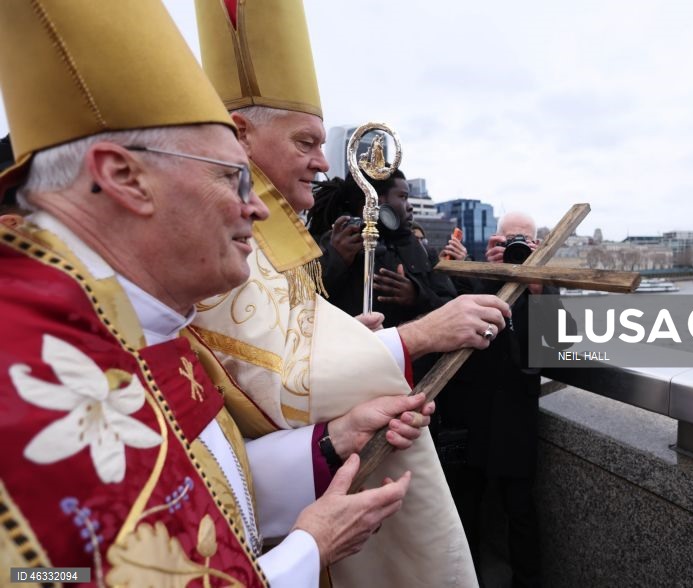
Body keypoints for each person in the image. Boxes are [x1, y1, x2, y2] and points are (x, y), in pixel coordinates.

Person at [0, 3, 441, 586]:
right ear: (124, 176)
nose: (257, 208)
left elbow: (197, 478)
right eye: (231, 177)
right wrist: (309, 550)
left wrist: (331, 443)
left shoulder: (144, 323)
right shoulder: (25, 372)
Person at [191, 1, 509, 586]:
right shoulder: (210, 240)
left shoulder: (264, 228)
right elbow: (274, 379)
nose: (321, 162)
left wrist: (338, 412)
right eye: (305, 142)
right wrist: (420, 335)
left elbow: (283, 345)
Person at [437, 212, 574, 587]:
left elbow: (565, 343)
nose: (516, 246)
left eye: (524, 240)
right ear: (493, 243)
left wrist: (537, 287)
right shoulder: (477, 275)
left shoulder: (543, 284)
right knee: (467, 507)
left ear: (537, 246)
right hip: (473, 411)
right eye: (509, 240)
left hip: (517, 413)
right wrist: (473, 270)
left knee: (521, 510)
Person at [308, 170, 458, 329]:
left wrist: (416, 296)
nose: (410, 207)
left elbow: (451, 306)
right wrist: (336, 259)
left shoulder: (422, 250)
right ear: (375, 200)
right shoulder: (331, 243)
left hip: (408, 351)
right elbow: (297, 303)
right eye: (403, 197)